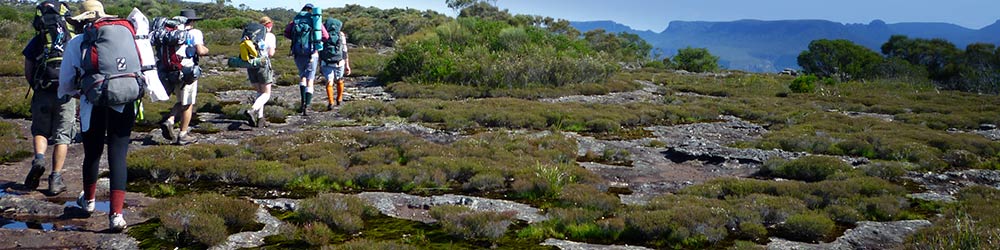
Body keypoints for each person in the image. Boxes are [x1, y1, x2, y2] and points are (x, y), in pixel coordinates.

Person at [59, 0, 167, 232]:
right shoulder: (128, 36)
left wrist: (82, 91)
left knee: (93, 154)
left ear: (81, 20)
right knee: (118, 155)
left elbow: (66, 83)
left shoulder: (77, 42)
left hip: (92, 102)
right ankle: (116, 215)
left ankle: (88, 202)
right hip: (126, 99)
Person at [21, 1, 76, 195]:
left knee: (40, 130)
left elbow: (28, 69)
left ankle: (39, 159)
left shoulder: (37, 41)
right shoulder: (72, 39)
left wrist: (36, 86)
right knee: (62, 136)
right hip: (65, 94)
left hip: (43, 91)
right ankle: (55, 179)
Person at [159, 9, 208, 145]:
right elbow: (200, 50)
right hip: (187, 71)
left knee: (181, 100)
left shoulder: (170, 32)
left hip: (171, 70)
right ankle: (183, 134)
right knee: (188, 103)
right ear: (192, 21)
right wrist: (206, 50)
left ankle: (170, 120)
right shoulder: (194, 33)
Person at [286, 3, 326, 116]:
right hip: (312, 53)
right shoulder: (316, 21)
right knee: (310, 80)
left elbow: (287, 33)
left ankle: (302, 101)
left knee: (302, 77)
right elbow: (326, 36)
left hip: (298, 53)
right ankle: (307, 106)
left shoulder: (295, 20)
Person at [245, 16, 277, 127]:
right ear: (268, 25)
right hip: (263, 65)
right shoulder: (270, 36)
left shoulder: (251, 36)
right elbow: (271, 53)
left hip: (251, 65)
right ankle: (253, 109)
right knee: (266, 94)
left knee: (259, 92)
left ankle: (260, 118)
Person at [320, 18, 351, 110]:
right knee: (339, 80)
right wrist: (347, 65)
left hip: (326, 62)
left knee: (329, 81)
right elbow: (345, 51)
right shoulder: (341, 35)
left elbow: (320, 50)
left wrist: (319, 66)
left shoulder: (323, 34)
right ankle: (339, 98)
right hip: (339, 62)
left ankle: (331, 102)